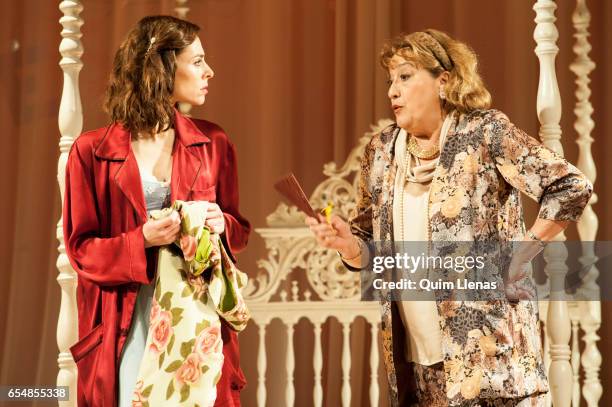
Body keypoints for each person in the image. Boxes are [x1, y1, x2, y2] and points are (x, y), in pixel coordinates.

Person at [306, 29, 592, 406]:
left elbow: (570, 185)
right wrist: (348, 246)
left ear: (444, 80)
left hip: (489, 363)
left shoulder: (484, 133)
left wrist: (521, 254)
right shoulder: (381, 152)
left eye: (405, 76)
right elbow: (373, 252)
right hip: (418, 369)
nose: (393, 90)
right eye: (390, 80)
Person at [63, 15, 250, 407]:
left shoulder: (213, 143)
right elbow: (80, 250)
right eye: (197, 61)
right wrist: (141, 240)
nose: (209, 71)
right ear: (163, 68)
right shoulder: (91, 151)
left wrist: (221, 223)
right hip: (127, 318)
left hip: (195, 318)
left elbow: (238, 228)